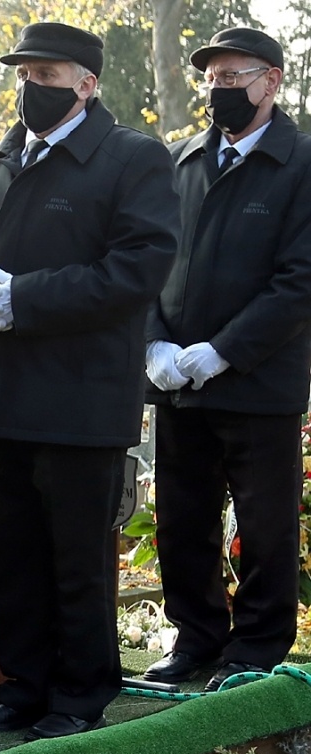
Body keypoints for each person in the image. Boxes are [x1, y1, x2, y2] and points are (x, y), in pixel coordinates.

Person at [0, 22, 180, 739]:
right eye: (23, 74)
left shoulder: (130, 158)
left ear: (87, 84)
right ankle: (23, 683)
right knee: (10, 555)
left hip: (78, 397)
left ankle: (80, 691)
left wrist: (24, 300)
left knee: (76, 558)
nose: (30, 88)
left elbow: (138, 266)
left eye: (47, 75)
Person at [143, 28, 311, 691]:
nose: (219, 89)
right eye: (211, 77)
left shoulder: (300, 165)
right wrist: (154, 341)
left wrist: (223, 351)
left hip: (257, 381)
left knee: (265, 521)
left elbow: (299, 280)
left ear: (271, 81)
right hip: (178, 380)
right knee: (182, 518)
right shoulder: (180, 160)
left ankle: (258, 647)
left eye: (233, 76)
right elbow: (149, 259)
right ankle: (196, 636)